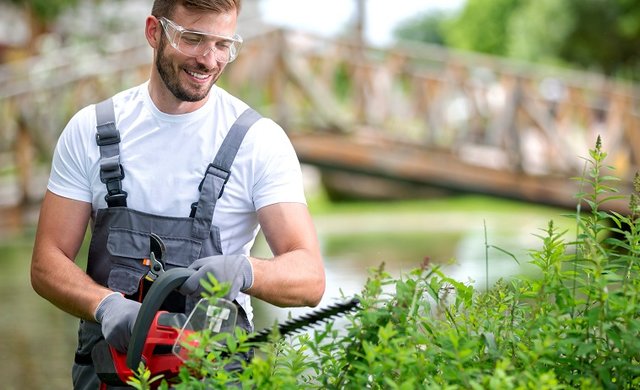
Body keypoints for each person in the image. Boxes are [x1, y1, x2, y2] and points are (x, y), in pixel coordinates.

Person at [30, 0, 326, 388]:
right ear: (155, 31)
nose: (209, 59)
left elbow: (310, 278)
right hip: (110, 372)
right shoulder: (91, 129)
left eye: (223, 44)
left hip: (216, 373)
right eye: (194, 39)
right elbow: (46, 263)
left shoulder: (258, 141)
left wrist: (245, 270)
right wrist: (102, 306)